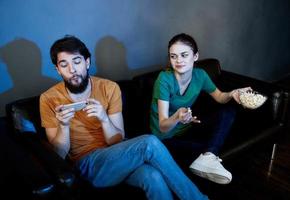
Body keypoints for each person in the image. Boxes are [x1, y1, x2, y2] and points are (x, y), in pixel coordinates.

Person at [40, 35, 209, 200]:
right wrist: (63, 125)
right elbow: (58, 155)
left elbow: (116, 140)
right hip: (87, 164)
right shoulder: (49, 99)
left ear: (87, 62)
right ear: (57, 69)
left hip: (119, 155)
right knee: (149, 143)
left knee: (152, 176)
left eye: (77, 62)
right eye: (64, 65)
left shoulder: (109, 88)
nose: (72, 70)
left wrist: (104, 119)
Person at [150, 33, 251, 185]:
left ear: (195, 56)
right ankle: (209, 154)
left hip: (187, 127)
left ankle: (208, 156)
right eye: (173, 56)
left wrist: (231, 93)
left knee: (228, 111)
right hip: (165, 138)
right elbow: (163, 126)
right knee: (208, 146)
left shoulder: (200, 75)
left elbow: (220, 97)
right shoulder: (164, 80)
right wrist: (177, 117)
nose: (178, 61)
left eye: (184, 55)